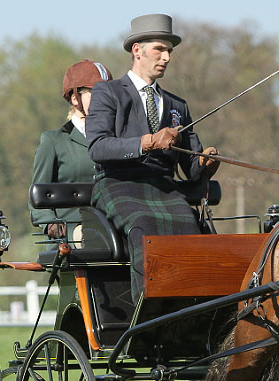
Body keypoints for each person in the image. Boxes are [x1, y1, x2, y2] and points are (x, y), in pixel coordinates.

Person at [87, 13, 220, 302]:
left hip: (164, 187)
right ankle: (146, 313)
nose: (167, 57)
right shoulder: (108, 93)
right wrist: (147, 142)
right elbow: (97, 147)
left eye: (169, 51)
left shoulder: (177, 105)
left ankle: (191, 312)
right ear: (138, 50)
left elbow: (190, 169)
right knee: (144, 227)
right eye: (159, 49)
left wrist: (205, 162)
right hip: (117, 183)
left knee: (189, 229)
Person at [30, 59, 113, 241]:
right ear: (75, 98)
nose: (106, 101)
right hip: (70, 240)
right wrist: (57, 229)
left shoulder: (118, 140)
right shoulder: (53, 142)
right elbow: (36, 202)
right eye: (96, 94)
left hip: (113, 231)